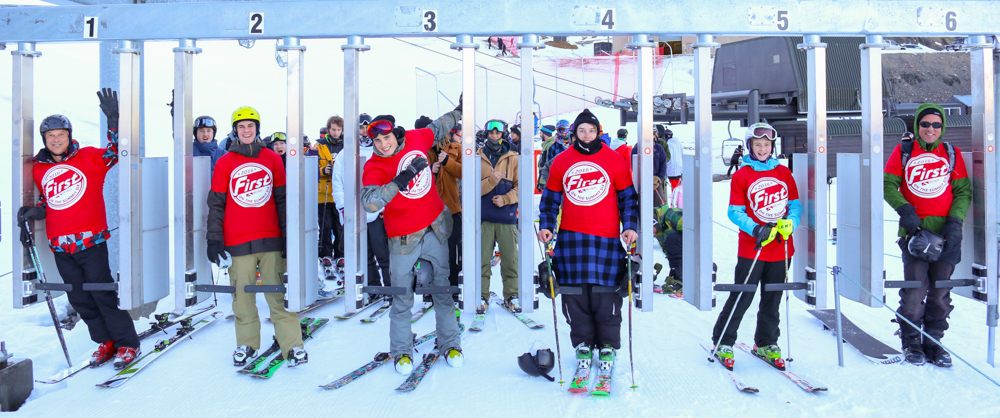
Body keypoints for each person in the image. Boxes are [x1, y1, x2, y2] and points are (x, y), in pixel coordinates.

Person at [18, 89, 141, 370]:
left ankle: (127, 343)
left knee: (102, 294)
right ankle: (105, 341)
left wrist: (114, 120)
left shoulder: (88, 158)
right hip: (60, 246)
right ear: (44, 140)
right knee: (79, 298)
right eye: (50, 136)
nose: (56, 139)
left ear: (69, 136)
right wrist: (37, 211)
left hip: (90, 242)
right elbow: (54, 201)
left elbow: (115, 153)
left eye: (61, 134)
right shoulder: (38, 168)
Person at [361, 103, 464, 374]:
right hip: (403, 237)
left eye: (387, 137)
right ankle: (402, 351)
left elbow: (439, 125)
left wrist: (460, 109)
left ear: (396, 134)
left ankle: (451, 344)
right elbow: (369, 203)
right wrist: (401, 179)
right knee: (402, 296)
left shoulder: (416, 138)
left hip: (434, 227)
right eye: (377, 140)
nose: (383, 144)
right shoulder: (375, 166)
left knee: (442, 290)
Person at [537, 109, 638, 380]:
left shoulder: (614, 160)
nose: (586, 135)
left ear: (598, 132)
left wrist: (629, 227)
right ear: (574, 133)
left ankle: (607, 345)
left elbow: (628, 199)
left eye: (591, 130)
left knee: (606, 296)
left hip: (605, 237)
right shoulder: (561, 161)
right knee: (575, 295)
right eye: (581, 130)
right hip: (571, 238)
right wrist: (546, 226)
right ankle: (583, 344)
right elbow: (549, 201)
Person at [207, 106, 306, 368]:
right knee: (243, 299)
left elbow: (282, 200)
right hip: (237, 241)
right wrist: (213, 240)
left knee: (279, 296)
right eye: (241, 127)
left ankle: (293, 345)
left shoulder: (272, 158)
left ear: (257, 129)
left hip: (271, 239)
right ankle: (247, 343)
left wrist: (288, 238)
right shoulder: (225, 162)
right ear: (235, 131)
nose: (247, 130)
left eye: (251, 126)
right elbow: (216, 204)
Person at [884, 103, 971, 367]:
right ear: (917, 127)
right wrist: (905, 211)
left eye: (936, 124)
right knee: (913, 293)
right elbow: (888, 184)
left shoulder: (951, 154)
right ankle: (911, 342)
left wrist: (955, 222)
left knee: (940, 294)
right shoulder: (904, 151)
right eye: (925, 124)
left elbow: (963, 191)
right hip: (915, 235)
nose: (930, 129)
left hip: (947, 236)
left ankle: (934, 342)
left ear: (942, 127)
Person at [710, 122, 801, 370]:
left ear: (773, 147)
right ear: (750, 146)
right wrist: (756, 228)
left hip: (781, 247)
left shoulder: (783, 172)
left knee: (773, 298)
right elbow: (734, 211)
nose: (762, 149)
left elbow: (795, 204)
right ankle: (724, 341)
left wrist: (790, 223)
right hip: (754, 247)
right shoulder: (743, 175)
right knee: (742, 295)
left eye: (767, 145)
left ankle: (766, 342)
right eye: (758, 144)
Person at [332, 117, 391, 305]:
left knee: (383, 254)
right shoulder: (345, 154)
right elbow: (338, 182)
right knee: (363, 255)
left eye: (367, 128)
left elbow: (390, 180)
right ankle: (373, 288)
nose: (364, 132)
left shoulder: (380, 151)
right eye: (361, 128)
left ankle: (390, 289)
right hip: (354, 213)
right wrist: (342, 207)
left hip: (376, 212)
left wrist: (386, 206)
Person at [478, 119, 521, 312]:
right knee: (482, 260)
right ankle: (481, 294)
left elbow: (522, 187)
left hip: (506, 217)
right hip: (484, 217)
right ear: (486, 134)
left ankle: (512, 295)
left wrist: (506, 198)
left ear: (502, 134)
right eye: (491, 133)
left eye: (497, 133)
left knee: (510, 259)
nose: (494, 136)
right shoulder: (478, 157)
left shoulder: (513, 157)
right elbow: (471, 190)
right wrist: (490, 182)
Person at [428, 123, 464, 303]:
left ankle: (453, 286)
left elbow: (465, 172)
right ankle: (429, 287)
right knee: (430, 252)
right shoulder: (425, 151)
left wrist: (447, 162)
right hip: (429, 209)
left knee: (452, 250)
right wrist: (429, 171)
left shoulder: (457, 149)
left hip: (452, 207)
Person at [317, 116, 345, 263]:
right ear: (328, 129)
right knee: (325, 226)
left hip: (340, 195)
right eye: (333, 129)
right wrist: (323, 169)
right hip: (323, 194)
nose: (336, 133)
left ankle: (341, 254)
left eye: (338, 130)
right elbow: (309, 167)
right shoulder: (319, 145)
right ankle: (324, 254)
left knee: (340, 226)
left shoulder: (347, 146)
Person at [631, 127, 669, 206]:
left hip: (656, 183)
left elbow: (663, 165)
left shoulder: (659, 148)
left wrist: (658, 178)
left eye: (652, 134)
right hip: (641, 184)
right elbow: (634, 166)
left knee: (659, 206)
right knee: (642, 205)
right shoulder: (636, 149)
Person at [653, 205, 684, 293]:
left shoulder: (672, 216)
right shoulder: (659, 230)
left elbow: (693, 228)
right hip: (682, 250)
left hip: (694, 246)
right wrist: (674, 267)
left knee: (672, 239)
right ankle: (676, 275)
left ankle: (683, 278)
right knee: (670, 241)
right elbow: (668, 250)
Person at [536, 119, 572, 192]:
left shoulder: (574, 144)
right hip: (558, 180)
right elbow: (548, 165)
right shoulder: (554, 146)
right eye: (560, 130)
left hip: (572, 178)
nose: (563, 132)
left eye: (565, 129)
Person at [664, 127, 683, 191]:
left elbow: (668, 157)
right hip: (678, 169)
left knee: (674, 187)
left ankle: (675, 199)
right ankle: (678, 199)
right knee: (677, 186)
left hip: (671, 169)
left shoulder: (668, 145)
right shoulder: (678, 143)